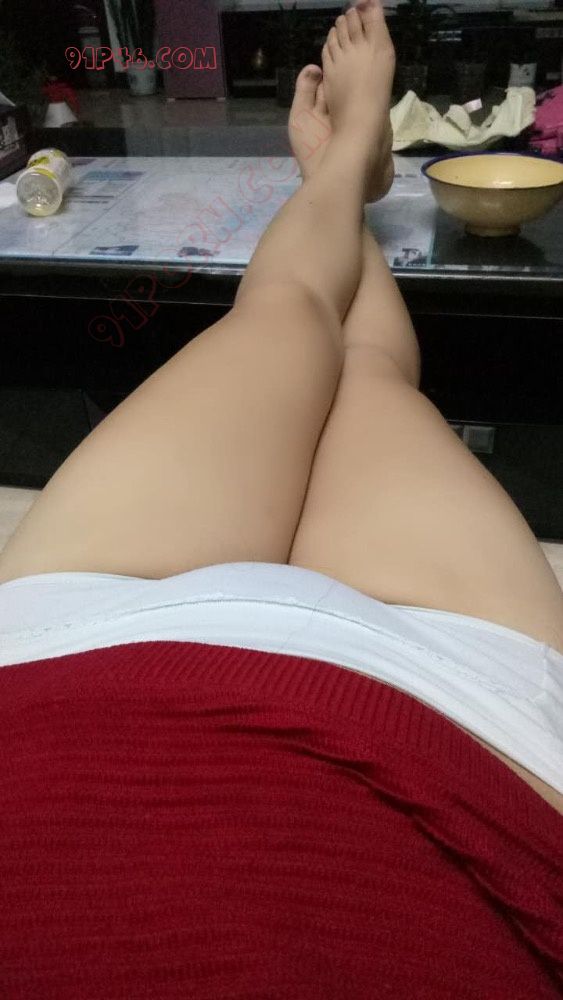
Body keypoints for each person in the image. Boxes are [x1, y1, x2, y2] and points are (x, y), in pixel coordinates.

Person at [0, 2, 562, 995]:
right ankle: (343, 166)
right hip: (454, 715)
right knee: (361, 365)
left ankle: (339, 171)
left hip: (67, 653)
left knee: (289, 313)